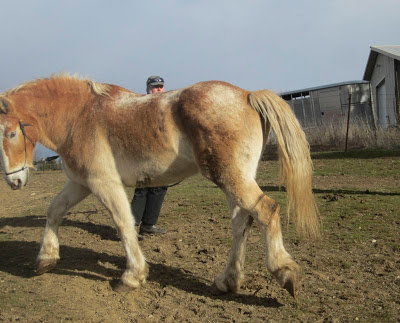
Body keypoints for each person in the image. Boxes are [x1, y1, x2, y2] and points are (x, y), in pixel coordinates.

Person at [131, 76, 168, 240]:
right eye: (155, 87)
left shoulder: (168, 107)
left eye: (160, 87)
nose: (158, 89)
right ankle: (131, 226)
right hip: (144, 153)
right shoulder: (140, 106)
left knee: (159, 187)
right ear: (147, 89)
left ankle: (148, 224)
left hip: (162, 153)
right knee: (142, 188)